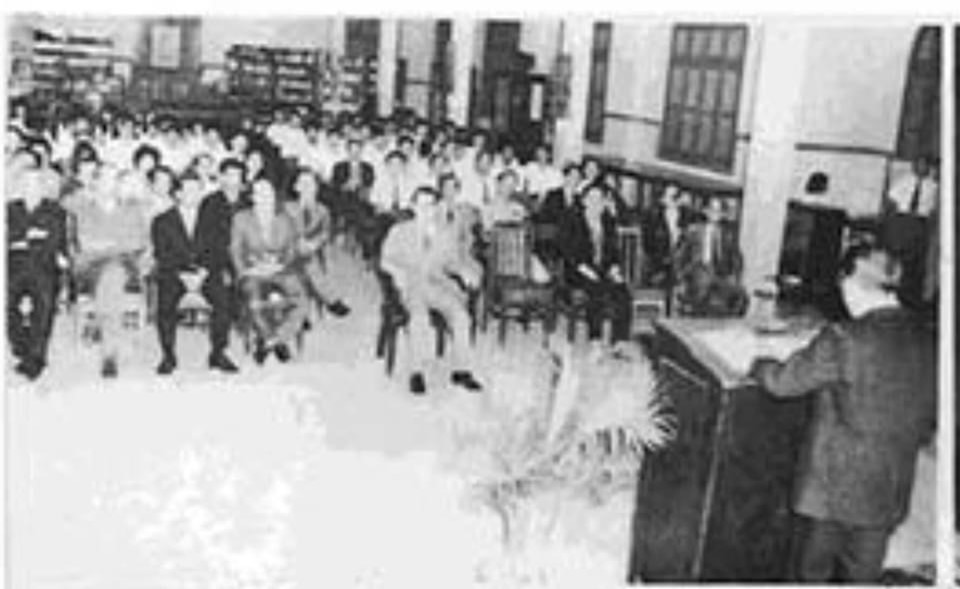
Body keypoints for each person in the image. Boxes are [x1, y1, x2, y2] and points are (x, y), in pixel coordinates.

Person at [749, 242, 936, 583]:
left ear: (851, 284)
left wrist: (759, 363)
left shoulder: (843, 336)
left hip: (831, 491)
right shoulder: (929, 339)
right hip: (886, 490)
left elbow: (781, 383)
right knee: (862, 575)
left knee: (809, 574)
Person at [380, 186, 483, 395]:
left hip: (437, 284)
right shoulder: (399, 231)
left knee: (461, 317)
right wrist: (398, 273)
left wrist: (464, 272)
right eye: (421, 205)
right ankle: (416, 372)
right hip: (412, 284)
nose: (425, 210)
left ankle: (461, 371)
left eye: (430, 205)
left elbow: (452, 262)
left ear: (436, 208)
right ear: (413, 206)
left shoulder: (444, 233)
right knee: (419, 318)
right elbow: (385, 260)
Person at [65, 153, 151, 378]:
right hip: (90, 267)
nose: (110, 184)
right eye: (104, 179)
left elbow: (138, 242)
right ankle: (108, 341)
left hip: (125, 265)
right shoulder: (84, 208)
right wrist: (116, 244)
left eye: (114, 179)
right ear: (95, 182)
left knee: (113, 275)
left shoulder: (132, 207)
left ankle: (108, 350)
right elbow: (85, 242)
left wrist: (107, 245)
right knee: (110, 275)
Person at [151, 171, 239, 375]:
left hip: (206, 272)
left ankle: (218, 354)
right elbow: (162, 254)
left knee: (223, 301)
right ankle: (168, 356)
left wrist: (204, 272)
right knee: (165, 303)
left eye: (197, 190)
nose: (193, 194)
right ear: (178, 194)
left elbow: (219, 250)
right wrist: (182, 274)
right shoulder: (162, 221)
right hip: (175, 274)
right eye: (188, 190)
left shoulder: (213, 219)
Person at [231, 178, 308, 364]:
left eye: (269, 194)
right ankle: (270, 336)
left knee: (301, 300)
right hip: (252, 271)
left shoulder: (284, 219)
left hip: (280, 270)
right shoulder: (241, 218)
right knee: (254, 300)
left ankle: (273, 339)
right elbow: (235, 250)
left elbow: (291, 249)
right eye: (260, 194)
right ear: (252, 197)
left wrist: (280, 264)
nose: (266, 198)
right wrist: (246, 270)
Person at [7, 168, 69, 380]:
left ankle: (35, 358)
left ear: (43, 187)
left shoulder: (55, 210)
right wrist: (31, 236)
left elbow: (55, 240)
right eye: (26, 184)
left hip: (44, 265)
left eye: (36, 184)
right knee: (7, 303)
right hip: (12, 266)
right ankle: (20, 342)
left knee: (44, 304)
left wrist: (24, 240)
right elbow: (8, 237)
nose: (31, 188)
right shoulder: (10, 209)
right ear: (19, 186)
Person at [557, 183, 633, 348]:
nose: (595, 202)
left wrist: (615, 267)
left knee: (623, 291)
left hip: (602, 269)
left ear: (604, 202)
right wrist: (584, 269)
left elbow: (614, 250)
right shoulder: (572, 219)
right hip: (577, 270)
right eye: (591, 198)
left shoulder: (608, 221)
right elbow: (566, 249)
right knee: (597, 289)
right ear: (584, 201)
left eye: (599, 199)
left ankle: (620, 341)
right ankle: (595, 340)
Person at [284, 167, 351, 317]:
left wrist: (315, 243)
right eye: (303, 183)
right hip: (289, 250)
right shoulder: (287, 208)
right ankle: (327, 301)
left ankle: (323, 300)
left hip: (310, 249)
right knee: (306, 266)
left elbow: (325, 232)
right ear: (296, 187)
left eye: (311, 183)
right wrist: (297, 242)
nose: (308, 188)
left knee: (312, 263)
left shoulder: (323, 210)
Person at [673, 197, 748, 316]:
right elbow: (679, 256)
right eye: (713, 210)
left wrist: (735, 277)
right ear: (706, 211)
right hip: (698, 273)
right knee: (701, 292)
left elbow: (737, 258)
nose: (715, 214)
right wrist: (681, 276)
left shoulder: (727, 234)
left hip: (720, 276)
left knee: (739, 297)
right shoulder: (693, 231)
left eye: (718, 211)